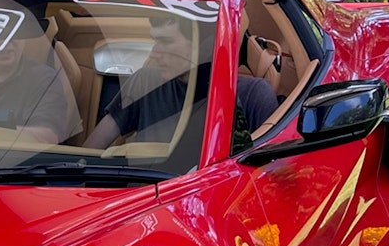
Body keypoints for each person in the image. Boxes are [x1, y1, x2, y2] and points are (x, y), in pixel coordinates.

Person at [83, 16, 278, 150]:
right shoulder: (145, 81)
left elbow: (271, 174)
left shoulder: (252, 96)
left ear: (204, 47)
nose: (154, 53)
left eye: (166, 42)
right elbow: (89, 152)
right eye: (155, 41)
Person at [0, 38, 83, 145]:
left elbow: (48, 139)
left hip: (9, 165)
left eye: (16, 32)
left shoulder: (43, 80)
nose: (6, 41)